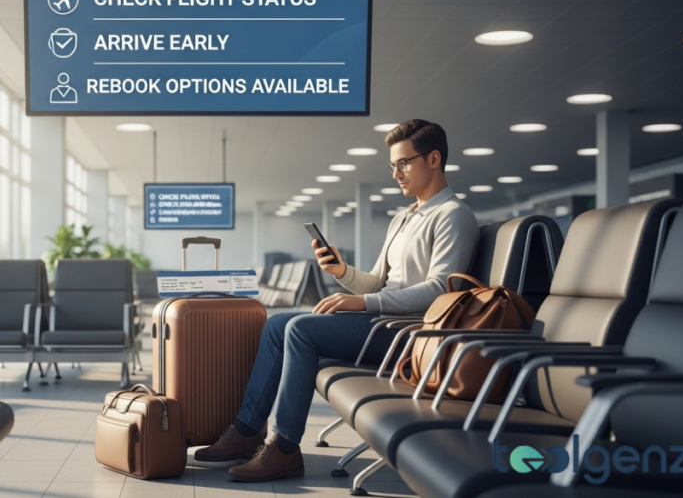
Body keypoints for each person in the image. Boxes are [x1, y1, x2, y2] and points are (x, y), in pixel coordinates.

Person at [194, 119, 480, 482]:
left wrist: (363, 303)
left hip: (411, 333)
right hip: (384, 321)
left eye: (404, 163)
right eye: (392, 164)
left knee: (300, 330)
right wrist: (341, 271)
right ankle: (247, 430)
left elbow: (441, 290)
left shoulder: (453, 216)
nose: (396, 173)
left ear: (435, 158)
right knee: (277, 323)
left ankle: (283, 448)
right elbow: (378, 282)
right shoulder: (404, 218)